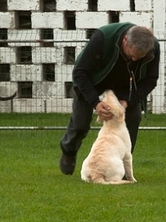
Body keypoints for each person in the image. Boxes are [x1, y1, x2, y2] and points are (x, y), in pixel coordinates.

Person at [59, 23, 160, 175]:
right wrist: (96, 103)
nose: (134, 59)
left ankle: (123, 166)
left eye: (139, 57)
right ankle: (69, 151)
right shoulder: (102, 38)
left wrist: (128, 101)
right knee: (81, 122)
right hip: (94, 80)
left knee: (133, 118)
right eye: (132, 55)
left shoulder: (153, 47)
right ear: (125, 40)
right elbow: (80, 73)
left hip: (125, 86)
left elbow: (151, 80)